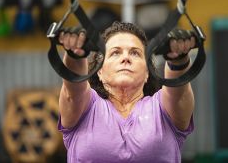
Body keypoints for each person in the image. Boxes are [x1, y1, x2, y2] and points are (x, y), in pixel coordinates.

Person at [57, 21, 196, 162]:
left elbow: (178, 92)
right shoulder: (85, 106)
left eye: (135, 53)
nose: (126, 58)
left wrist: (178, 59)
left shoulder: (163, 108)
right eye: (115, 53)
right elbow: (73, 88)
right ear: (99, 70)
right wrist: (75, 54)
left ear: (147, 71)